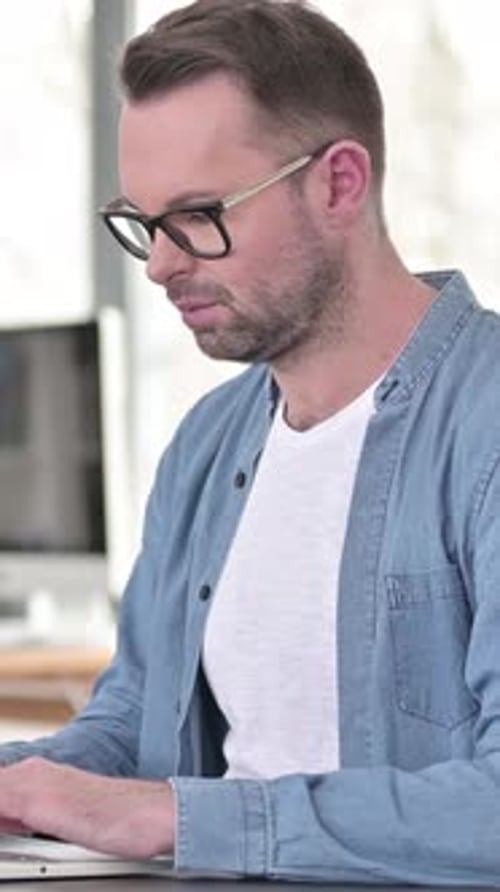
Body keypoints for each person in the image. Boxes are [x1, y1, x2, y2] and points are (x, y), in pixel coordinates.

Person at [1, 0, 500, 884]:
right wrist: (27, 784)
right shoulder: (207, 443)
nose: (158, 264)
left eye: (198, 214)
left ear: (339, 184)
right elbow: (134, 727)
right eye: (143, 223)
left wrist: (178, 817)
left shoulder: (483, 425)